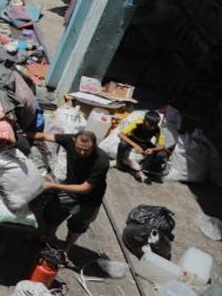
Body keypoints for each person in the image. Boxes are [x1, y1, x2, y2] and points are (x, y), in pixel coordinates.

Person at [30, 130, 109, 260]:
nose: (82, 153)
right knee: (53, 214)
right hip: (69, 189)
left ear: (95, 145)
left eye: (87, 150)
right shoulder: (68, 140)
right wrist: (20, 134)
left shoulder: (102, 161)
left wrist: (53, 186)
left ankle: (66, 250)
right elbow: (44, 135)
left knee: (77, 226)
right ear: (73, 140)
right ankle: (48, 238)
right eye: (80, 148)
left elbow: (85, 188)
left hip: (89, 199)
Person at [117, 111, 169, 181]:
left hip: (145, 143)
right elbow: (121, 134)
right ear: (146, 121)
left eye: (155, 125)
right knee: (122, 144)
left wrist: (152, 149)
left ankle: (143, 169)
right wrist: (135, 145)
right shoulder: (138, 123)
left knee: (162, 154)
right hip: (133, 140)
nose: (153, 127)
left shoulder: (157, 129)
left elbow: (162, 146)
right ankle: (119, 163)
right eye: (151, 125)